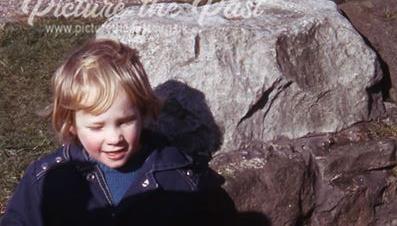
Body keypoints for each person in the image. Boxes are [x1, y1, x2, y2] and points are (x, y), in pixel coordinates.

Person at [1, 38, 238, 225]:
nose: (114, 138)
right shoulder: (45, 179)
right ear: (71, 123)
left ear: (144, 114)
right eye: (97, 126)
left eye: (125, 121)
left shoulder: (181, 179)